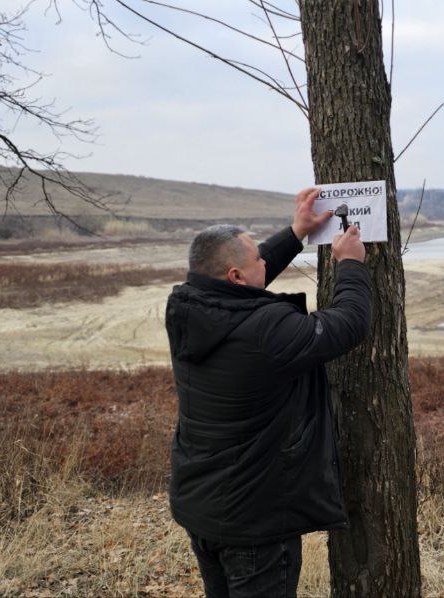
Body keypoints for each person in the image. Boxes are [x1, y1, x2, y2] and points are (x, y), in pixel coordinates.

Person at [164, 187, 371, 598]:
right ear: (236, 276)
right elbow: (349, 324)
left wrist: (296, 234)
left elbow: (242, 280)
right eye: (258, 257)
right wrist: (350, 265)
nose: (264, 258)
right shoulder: (266, 331)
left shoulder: (186, 305)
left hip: (202, 506)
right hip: (253, 522)